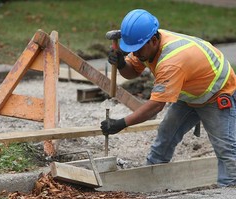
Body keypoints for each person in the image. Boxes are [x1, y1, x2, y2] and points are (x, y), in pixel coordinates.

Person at [101, 9, 236, 187]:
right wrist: (121, 64)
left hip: (217, 93)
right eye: (132, 49)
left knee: (225, 148)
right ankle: (152, 175)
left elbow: (155, 106)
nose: (136, 53)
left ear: (154, 40)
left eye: (137, 49)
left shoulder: (171, 61)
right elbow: (132, 72)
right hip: (190, 92)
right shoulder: (146, 43)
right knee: (166, 132)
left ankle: (228, 192)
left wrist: (121, 123)